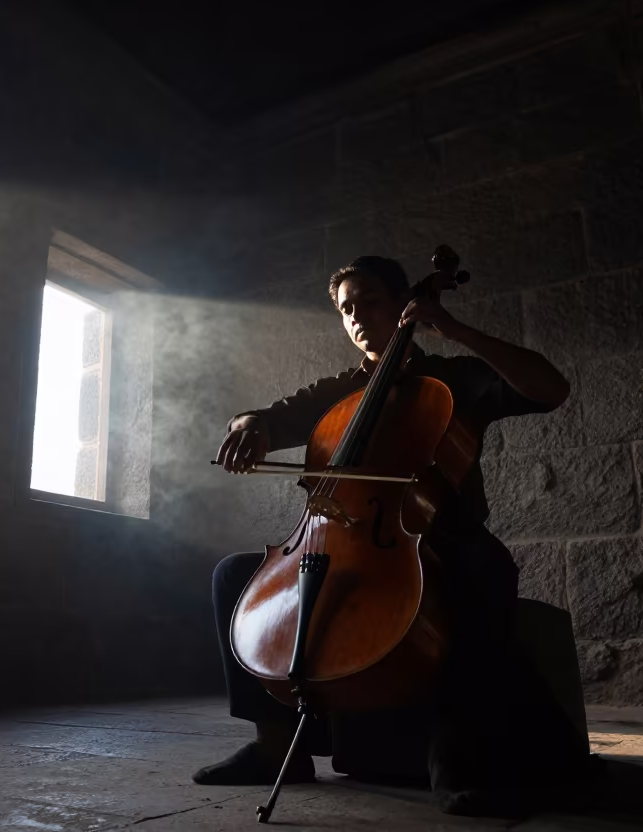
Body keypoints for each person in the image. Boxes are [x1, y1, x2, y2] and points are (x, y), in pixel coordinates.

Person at [192, 255, 591, 817]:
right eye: (346, 309)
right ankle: (276, 745)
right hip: (335, 537)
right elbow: (257, 416)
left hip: (436, 536)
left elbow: (549, 388)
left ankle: (456, 752)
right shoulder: (337, 391)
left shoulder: (452, 379)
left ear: (405, 302)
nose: (357, 316)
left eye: (369, 301)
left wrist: (454, 329)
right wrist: (249, 427)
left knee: (484, 567)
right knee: (233, 575)